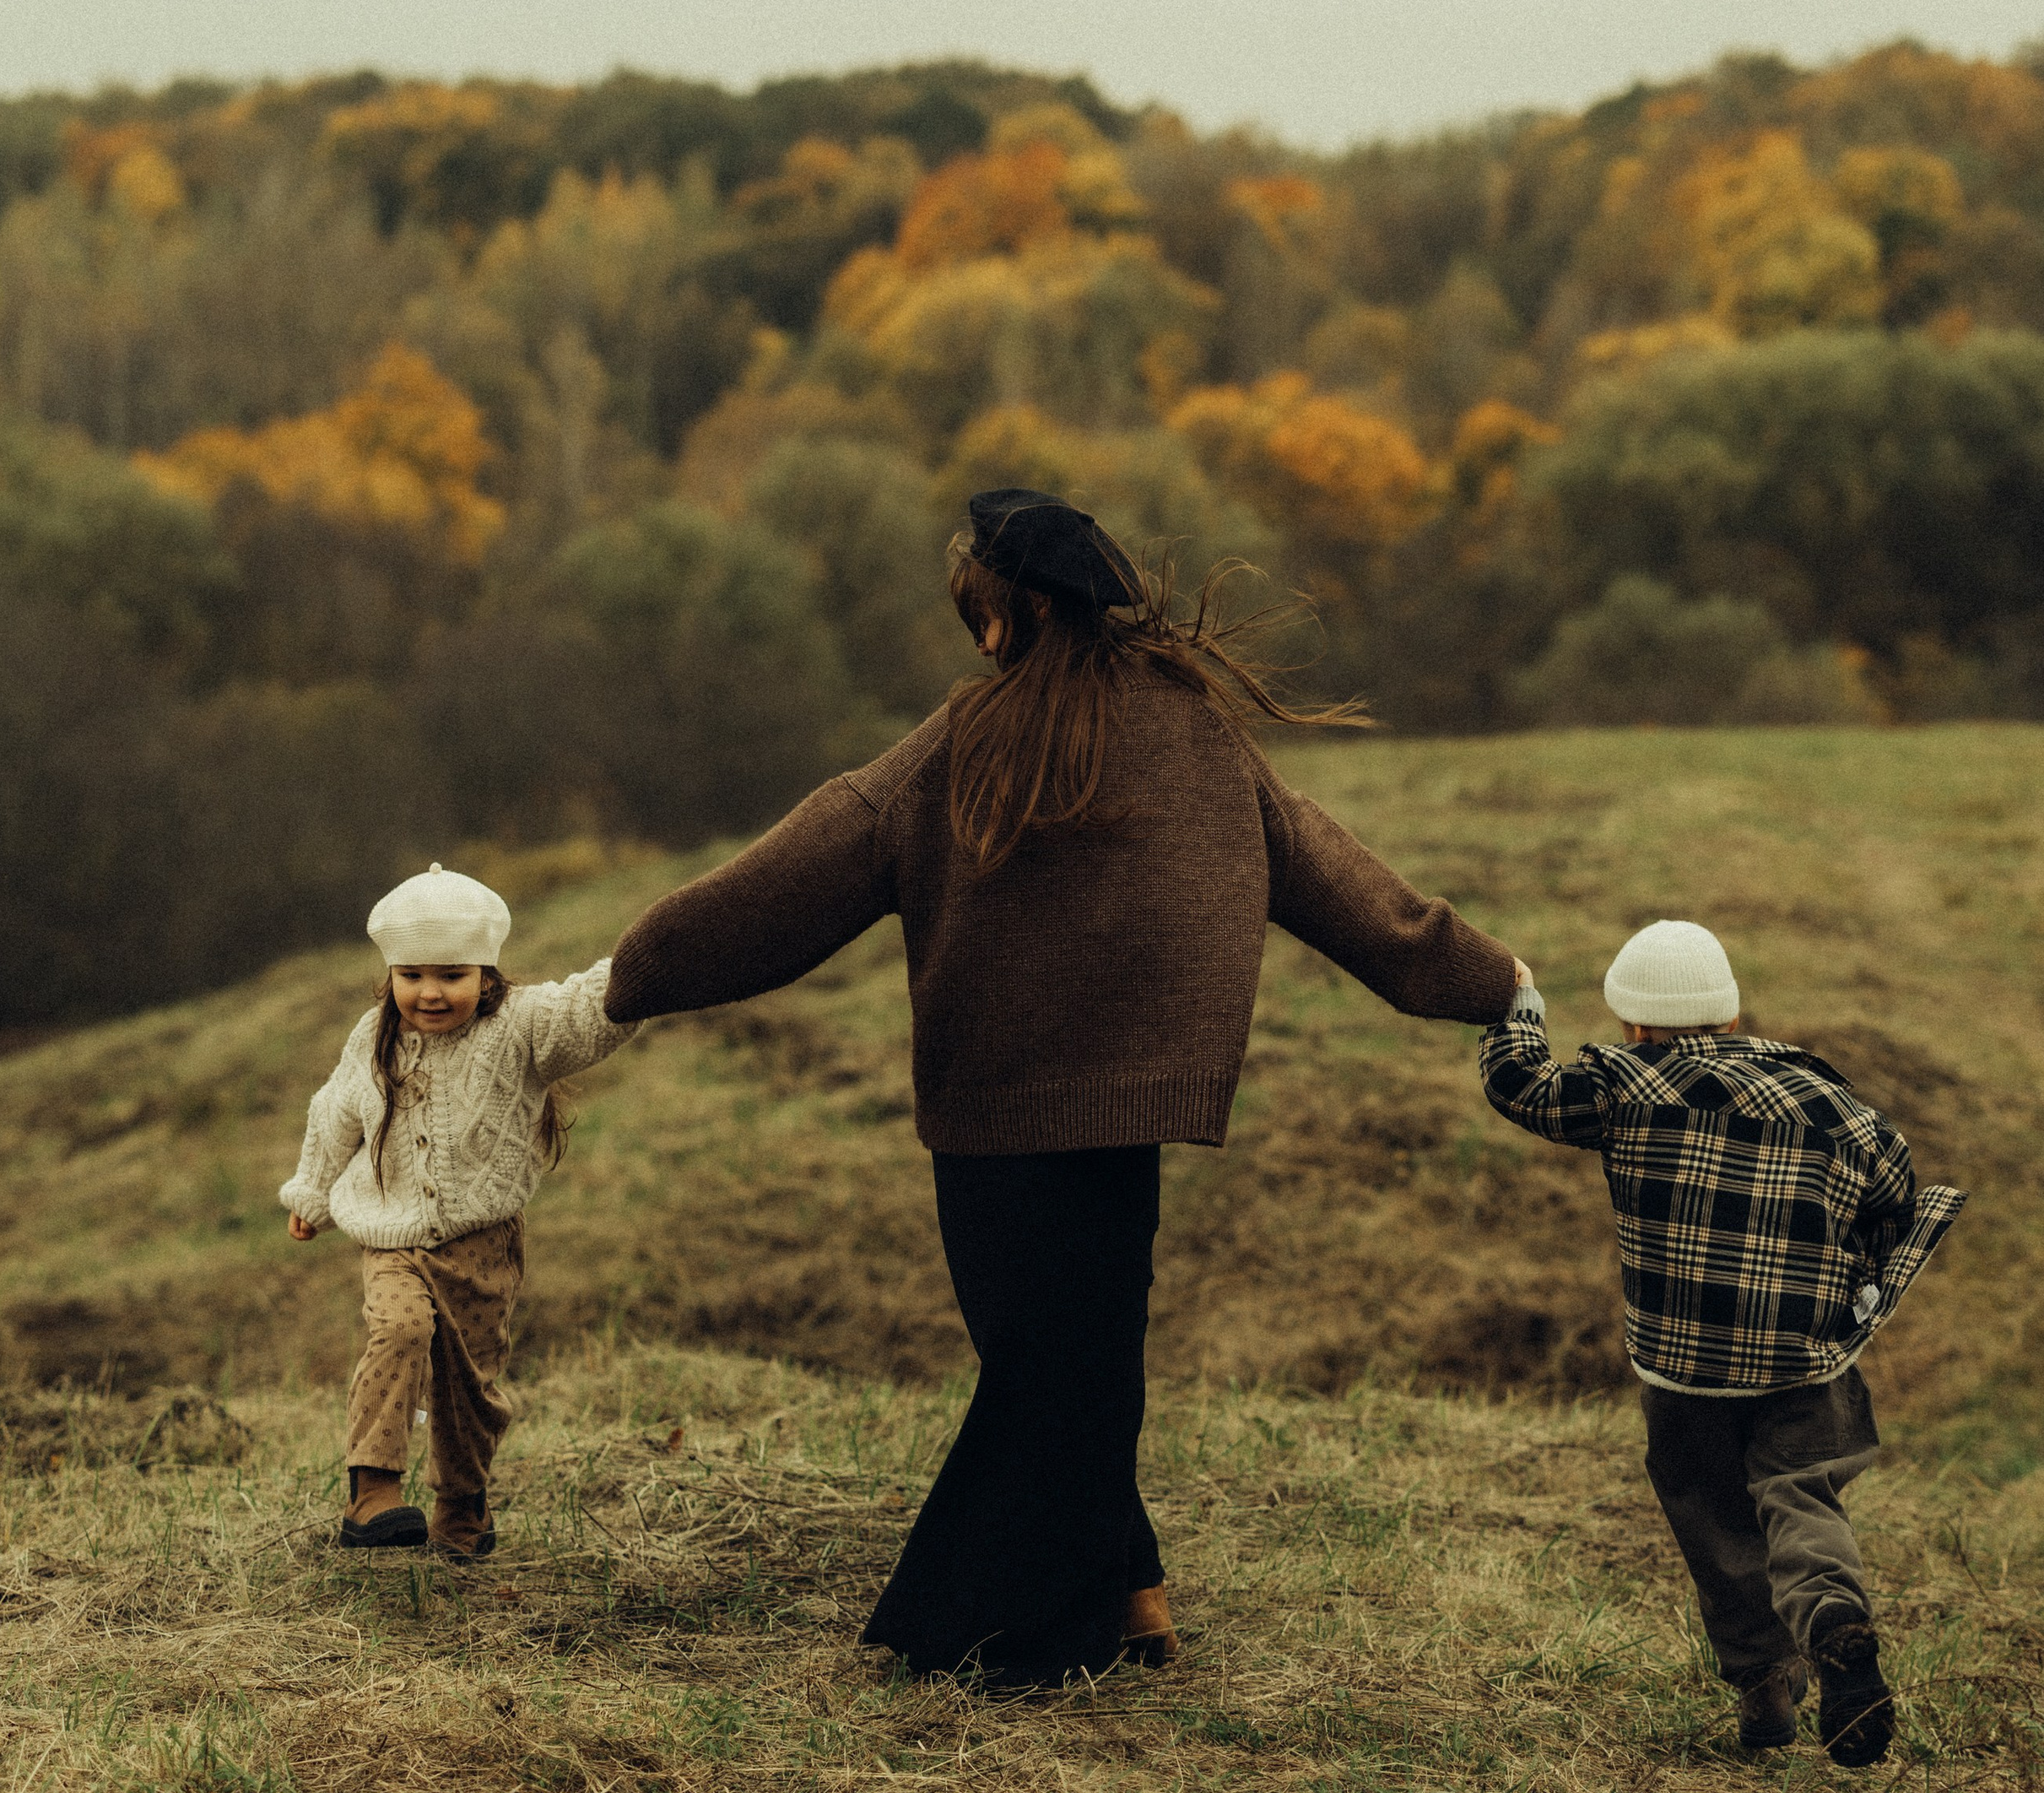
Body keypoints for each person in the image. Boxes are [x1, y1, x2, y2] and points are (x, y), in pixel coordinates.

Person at [602, 487, 1520, 1687]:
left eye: (979, 615)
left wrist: (635, 972)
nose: (975, 639)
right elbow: (1342, 884)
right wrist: (1492, 978)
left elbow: (802, 875)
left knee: (1047, 1367)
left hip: (991, 1109)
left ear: (1020, 612)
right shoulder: (1197, 730)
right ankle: (1130, 1595)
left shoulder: (965, 741)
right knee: (1081, 1355)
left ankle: (983, 1633)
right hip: (1135, 1109)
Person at [1480, 918, 1963, 1767]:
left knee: (1712, 1518)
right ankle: (1834, 1623)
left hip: (1684, 1371)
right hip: (1805, 1361)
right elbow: (1895, 1187)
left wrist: (1517, 998)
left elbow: (1520, 1086)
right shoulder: (1828, 1101)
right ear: (1731, 1018)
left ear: (1633, 1027)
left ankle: (1763, 1687)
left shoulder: (1620, 1086)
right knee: (1801, 1500)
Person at [282, 863, 636, 1557]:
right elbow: (334, 1116)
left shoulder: (521, 1026)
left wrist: (650, 962)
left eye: (452, 975)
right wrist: (311, 1193)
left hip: (485, 1245)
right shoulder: (372, 1036)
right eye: (412, 975)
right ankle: (373, 1492)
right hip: (392, 1235)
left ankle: (463, 1506)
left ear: (486, 973)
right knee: (400, 1329)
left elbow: (588, 1012)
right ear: (390, 975)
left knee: (468, 1388)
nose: (431, 993)